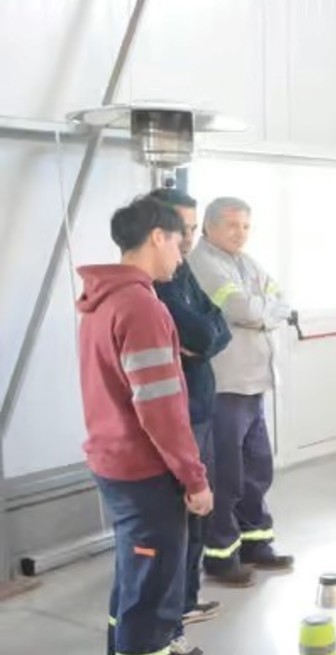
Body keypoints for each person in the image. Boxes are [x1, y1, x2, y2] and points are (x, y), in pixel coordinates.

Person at [77, 196, 213, 655]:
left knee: (134, 579)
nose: (181, 255)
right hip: (145, 471)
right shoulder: (141, 307)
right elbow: (161, 411)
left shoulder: (101, 300)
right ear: (157, 237)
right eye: (178, 241)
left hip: (113, 463)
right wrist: (194, 479)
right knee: (153, 594)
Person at [187, 197, 294, 586]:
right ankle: (221, 556)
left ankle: (256, 544)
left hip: (254, 384)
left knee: (257, 467)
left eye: (246, 226)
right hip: (226, 386)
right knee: (226, 474)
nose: (240, 233)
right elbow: (241, 309)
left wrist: (262, 309)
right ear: (209, 227)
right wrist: (263, 311)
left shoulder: (246, 263)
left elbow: (282, 302)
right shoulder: (202, 263)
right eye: (232, 225)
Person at [150, 189, 232, 649]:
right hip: (179, 414)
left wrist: (205, 340)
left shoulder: (181, 270)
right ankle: (168, 614)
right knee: (179, 513)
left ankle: (185, 600)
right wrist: (204, 338)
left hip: (201, 405)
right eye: (181, 228)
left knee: (198, 511)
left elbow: (217, 326)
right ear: (157, 231)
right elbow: (202, 330)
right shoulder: (156, 284)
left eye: (192, 227)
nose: (187, 237)